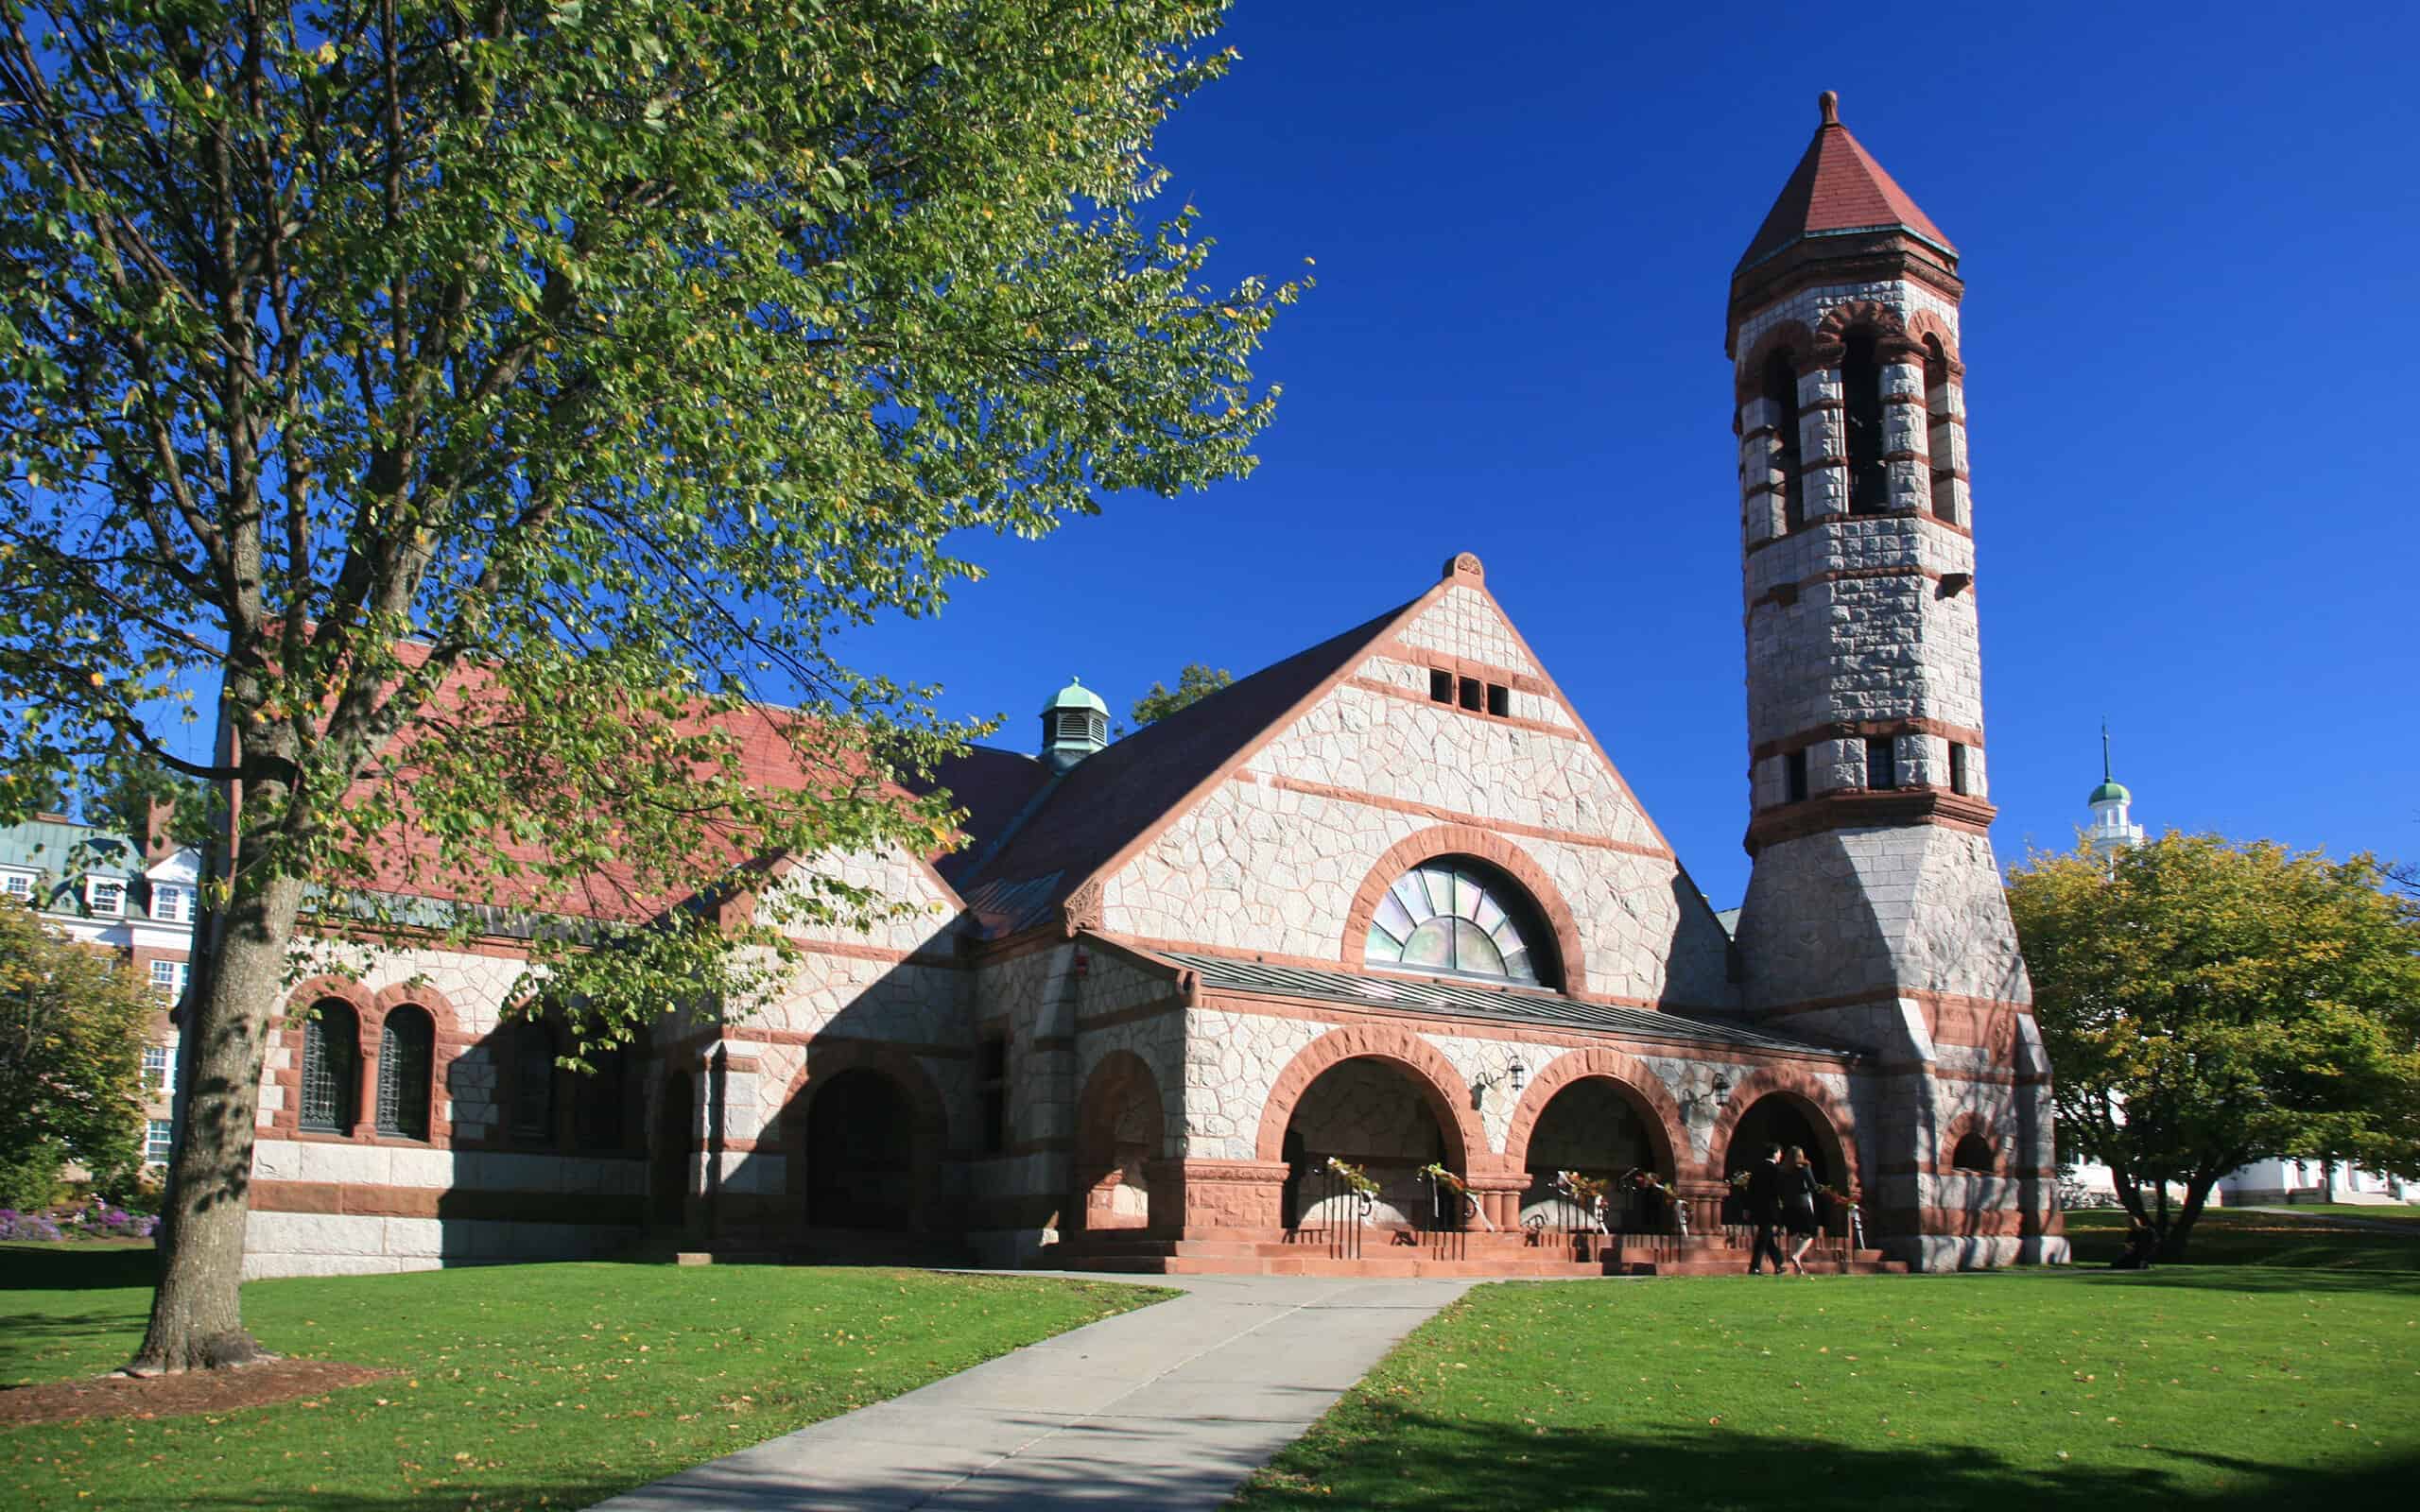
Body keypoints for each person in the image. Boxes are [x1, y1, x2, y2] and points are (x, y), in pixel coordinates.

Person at [1744, 1144, 1786, 1275]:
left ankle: (1778, 1262)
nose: (1780, 1156)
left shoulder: (1756, 1169)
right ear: (1774, 1154)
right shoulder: (1776, 1170)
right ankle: (1755, 1266)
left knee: (1767, 1237)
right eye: (1779, 1153)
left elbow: (1750, 1190)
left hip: (1758, 1207)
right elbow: (1779, 1191)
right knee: (1763, 1239)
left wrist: (1747, 1208)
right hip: (1770, 1208)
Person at [1781, 1146, 1822, 1277]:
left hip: (1788, 1205)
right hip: (1802, 1204)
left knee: (1793, 1233)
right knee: (1810, 1232)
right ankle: (1797, 1255)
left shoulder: (1783, 1171)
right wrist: (1819, 1189)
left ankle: (1797, 1268)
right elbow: (1812, 1185)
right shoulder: (1804, 1168)